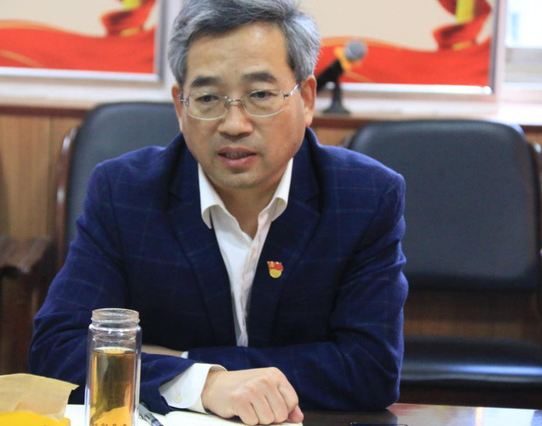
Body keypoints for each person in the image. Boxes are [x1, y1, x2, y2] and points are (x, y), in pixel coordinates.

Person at [29, 0, 408, 424]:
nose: (234, 124)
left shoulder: (364, 196)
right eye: (208, 98)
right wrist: (203, 384)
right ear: (180, 107)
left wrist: (185, 361)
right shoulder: (125, 192)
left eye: (260, 95)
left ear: (305, 99)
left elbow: (370, 369)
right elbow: (57, 352)